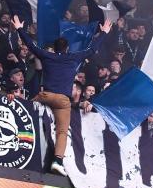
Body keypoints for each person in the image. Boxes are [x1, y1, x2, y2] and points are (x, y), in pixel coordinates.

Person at [12, 14, 111, 175]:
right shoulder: (73, 57)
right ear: (66, 49)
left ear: (55, 48)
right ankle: (57, 161)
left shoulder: (47, 55)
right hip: (63, 101)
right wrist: (104, 32)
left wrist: (19, 29)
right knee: (62, 132)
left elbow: (31, 45)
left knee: (25, 107)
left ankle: (17, 140)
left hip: (45, 96)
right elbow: (92, 49)